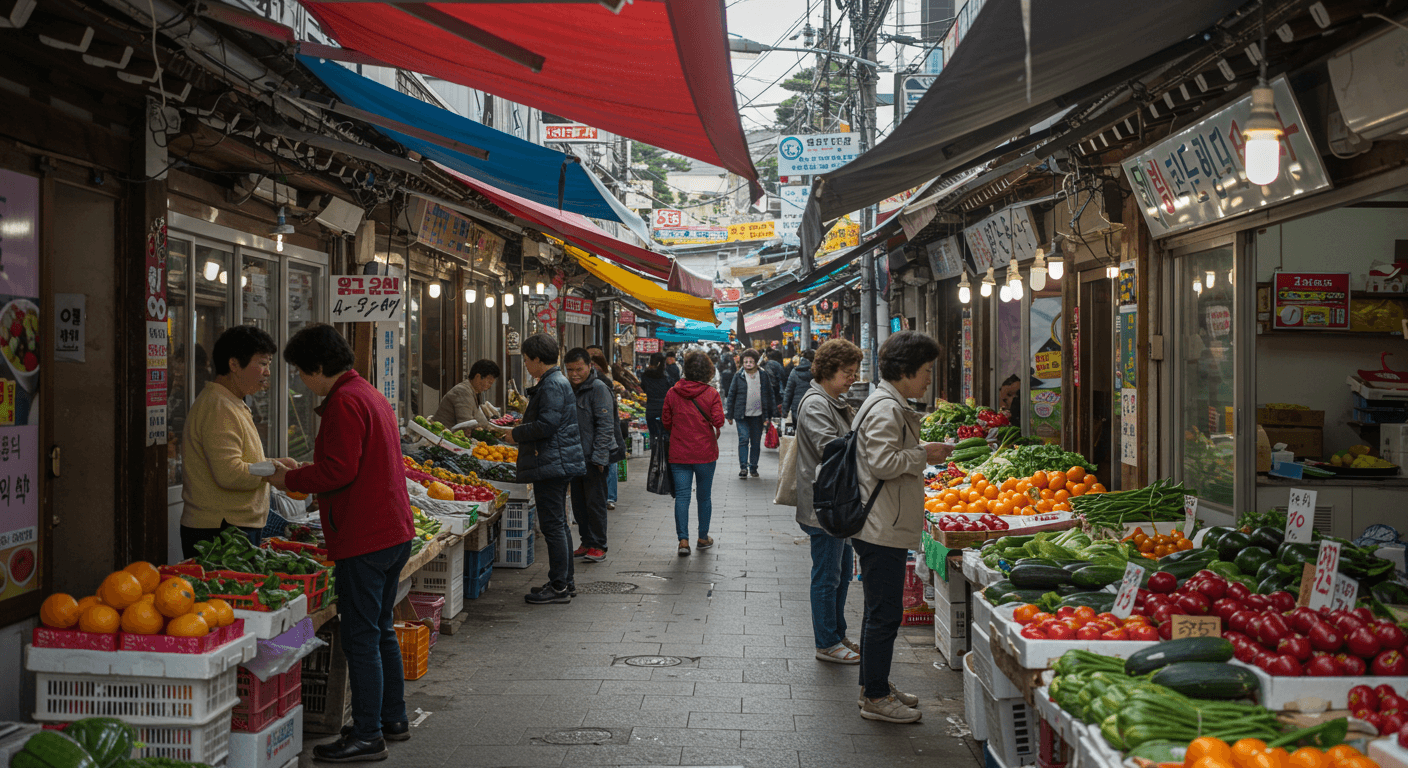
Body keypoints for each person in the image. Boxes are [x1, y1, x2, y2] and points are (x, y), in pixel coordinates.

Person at [268, 324, 415, 761]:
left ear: (317, 367)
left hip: (365, 535)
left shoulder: (344, 402)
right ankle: (393, 717)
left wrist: (289, 478)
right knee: (381, 629)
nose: (300, 379)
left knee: (361, 636)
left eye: (299, 371)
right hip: (392, 530)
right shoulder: (367, 393)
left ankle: (368, 734)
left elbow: (339, 471)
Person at [851, 331, 955, 723]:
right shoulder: (885, 408)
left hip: (883, 520)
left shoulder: (889, 403)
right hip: (881, 525)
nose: (930, 378)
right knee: (885, 613)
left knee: (878, 610)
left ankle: (872, 684)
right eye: (926, 370)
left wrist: (918, 451)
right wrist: (922, 453)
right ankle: (876, 697)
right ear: (906, 370)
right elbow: (882, 463)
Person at [179, 325, 280, 559]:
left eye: (269, 364)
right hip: (222, 531)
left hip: (232, 527)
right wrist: (272, 471)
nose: (267, 372)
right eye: (263, 363)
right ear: (234, 364)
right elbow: (230, 473)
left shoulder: (230, 401)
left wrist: (272, 463)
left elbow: (239, 461)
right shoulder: (218, 407)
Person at [795, 340, 863, 664]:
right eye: (847, 372)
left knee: (841, 573)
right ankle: (826, 642)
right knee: (827, 574)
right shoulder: (815, 405)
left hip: (841, 504)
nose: (852, 378)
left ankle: (837, 633)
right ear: (828, 371)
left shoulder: (835, 401)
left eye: (854, 372)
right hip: (825, 507)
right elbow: (830, 448)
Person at [503, 333, 585, 604]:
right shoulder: (556, 381)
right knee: (559, 525)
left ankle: (559, 586)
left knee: (553, 526)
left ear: (538, 359)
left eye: (527, 360)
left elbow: (547, 426)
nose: (525, 364)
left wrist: (517, 434)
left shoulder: (551, 385)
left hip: (551, 463)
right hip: (556, 461)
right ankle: (564, 581)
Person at [662, 351, 725, 556]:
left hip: (679, 453)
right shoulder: (711, 393)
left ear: (686, 369)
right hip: (705, 454)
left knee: (682, 496)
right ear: (707, 371)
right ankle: (702, 537)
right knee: (704, 497)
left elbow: (666, 422)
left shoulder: (673, 392)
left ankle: (683, 541)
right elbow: (719, 421)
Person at [563, 348, 616, 563]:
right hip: (574, 455)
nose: (574, 374)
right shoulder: (570, 389)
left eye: (579, 369)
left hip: (593, 457)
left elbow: (605, 426)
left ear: (589, 367)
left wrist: (600, 457)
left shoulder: (598, 388)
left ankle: (599, 545)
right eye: (570, 370)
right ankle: (586, 541)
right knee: (579, 503)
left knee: (595, 503)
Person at [725, 349, 774, 479]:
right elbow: (731, 395)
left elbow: (769, 395)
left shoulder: (763, 375)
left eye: (751, 361)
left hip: (758, 415)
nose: (748, 364)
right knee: (743, 439)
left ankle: (753, 467)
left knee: (756, 442)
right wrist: (729, 415)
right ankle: (743, 467)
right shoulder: (738, 375)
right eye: (745, 361)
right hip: (741, 415)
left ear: (756, 362)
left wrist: (769, 414)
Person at [590, 352, 625, 511]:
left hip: (607, 431)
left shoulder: (600, 383)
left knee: (610, 462)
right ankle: (608, 496)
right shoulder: (601, 380)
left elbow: (607, 417)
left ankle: (609, 496)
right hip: (608, 431)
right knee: (610, 462)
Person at [431, 359, 500, 428]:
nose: (490, 386)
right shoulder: (462, 391)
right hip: (446, 435)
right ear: (478, 377)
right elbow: (466, 424)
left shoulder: (474, 392)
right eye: (489, 382)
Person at [640, 352, 672, 445]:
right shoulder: (666, 377)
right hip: (664, 409)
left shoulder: (645, 375)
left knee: (653, 434)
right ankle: (666, 453)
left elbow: (643, 388)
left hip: (651, 408)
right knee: (666, 434)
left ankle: (653, 447)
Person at [780, 349, 815, 425]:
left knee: (799, 434)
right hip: (814, 408)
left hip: (797, 408)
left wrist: (784, 412)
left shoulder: (794, 372)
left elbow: (788, 393)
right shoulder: (818, 372)